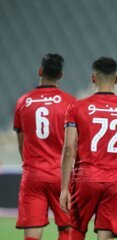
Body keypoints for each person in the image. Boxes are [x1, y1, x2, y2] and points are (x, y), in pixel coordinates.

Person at [60, 57, 117, 240]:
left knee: (77, 230)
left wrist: (64, 188)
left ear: (93, 77)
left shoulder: (76, 107)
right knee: (106, 233)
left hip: (86, 179)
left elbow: (68, 149)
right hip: (115, 180)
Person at [13, 53, 75, 240]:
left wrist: (32, 165)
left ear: (40, 71)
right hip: (61, 176)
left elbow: (21, 143)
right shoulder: (70, 103)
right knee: (66, 228)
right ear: (61, 75)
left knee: (32, 230)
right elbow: (73, 144)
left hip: (33, 175)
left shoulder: (23, 101)